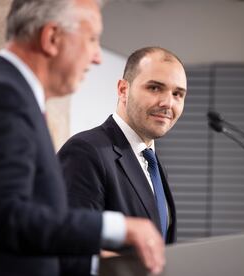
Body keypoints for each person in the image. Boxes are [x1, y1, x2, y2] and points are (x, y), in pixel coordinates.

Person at [0, 1, 165, 275]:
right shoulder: (0, 98)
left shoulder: (6, 94)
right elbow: (3, 219)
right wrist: (118, 227)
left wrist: (104, 266)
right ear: (51, 38)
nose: (97, 56)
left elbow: (24, 241)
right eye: (92, 39)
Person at [57, 46, 187, 273]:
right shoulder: (86, 151)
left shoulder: (154, 164)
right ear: (123, 89)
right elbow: (70, 247)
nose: (168, 103)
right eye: (155, 88)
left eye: (178, 94)